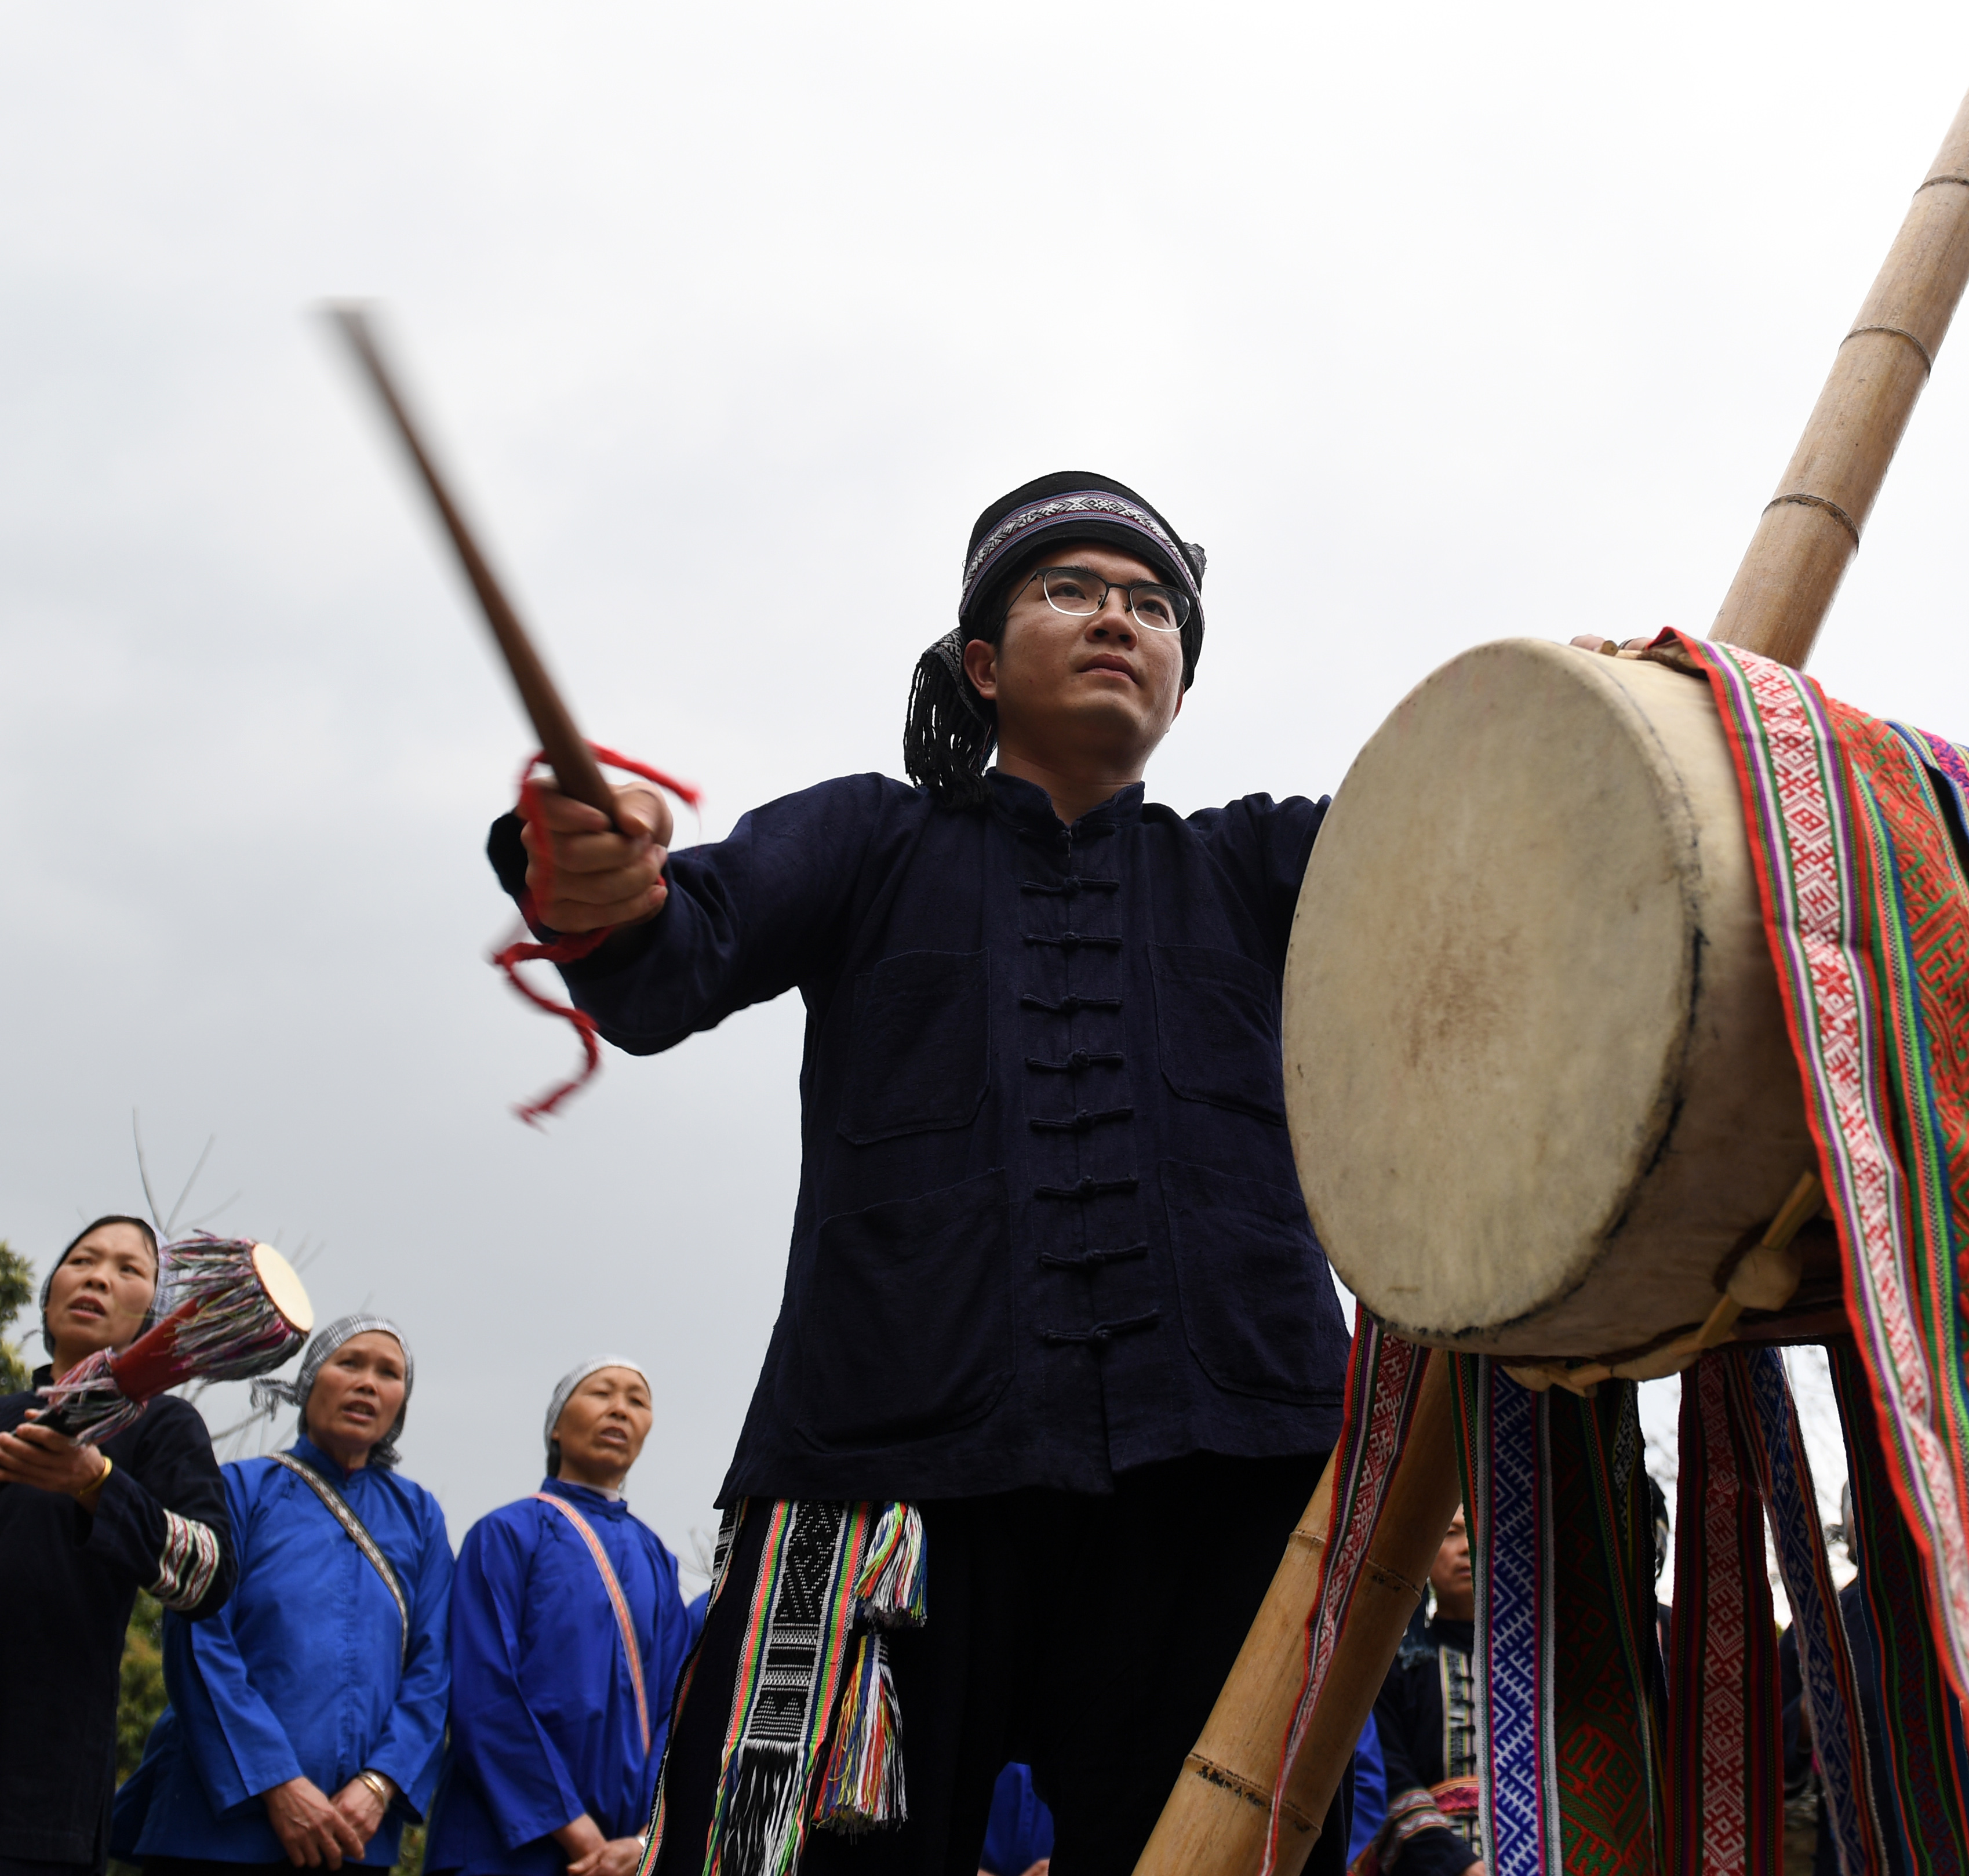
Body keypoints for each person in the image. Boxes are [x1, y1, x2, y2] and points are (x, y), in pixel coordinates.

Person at [486, 472, 1353, 1875]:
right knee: (785, 1852)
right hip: (885, 1467)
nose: (1118, 620)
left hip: (1222, 1473)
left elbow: (1467, 845)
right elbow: (663, 960)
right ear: (982, 663)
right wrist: (593, 878)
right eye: (1070, 591)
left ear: (1183, 685)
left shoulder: (1257, 866)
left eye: (1152, 607)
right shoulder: (869, 839)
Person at [116, 1318, 453, 1875]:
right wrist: (278, 1783)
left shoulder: (420, 1518)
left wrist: (379, 1783)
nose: (367, 1383)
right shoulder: (237, 1491)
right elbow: (201, 1640)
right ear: (309, 1383)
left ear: (402, 1404)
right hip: (218, 1832)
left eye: (388, 1373)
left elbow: (434, 1665)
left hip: (354, 1833)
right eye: (350, 1364)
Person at [0, 1217, 236, 1876]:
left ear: (155, 1320)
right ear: (49, 1297)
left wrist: (97, 1483)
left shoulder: (162, 1423)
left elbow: (210, 1576)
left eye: (130, 1270)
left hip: (40, 1798)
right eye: (82, 1260)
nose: (99, 1276)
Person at [430, 1359, 693, 1876]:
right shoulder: (506, 1534)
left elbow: (675, 1708)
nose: (620, 1408)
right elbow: (484, 1697)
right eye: (601, 1393)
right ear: (556, 1424)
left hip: (621, 1854)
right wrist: (578, 1833)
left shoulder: (657, 1558)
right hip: (501, 1847)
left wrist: (642, 1840)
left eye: (638, 1401)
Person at [1362, 1513, 1484, 1876]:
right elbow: (1387, 1777)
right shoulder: (1392, 1670)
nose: (1467, 1548)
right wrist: (1458, 1865)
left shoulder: (1547, 1670)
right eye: (1451, 1534)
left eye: (1481, 1533)